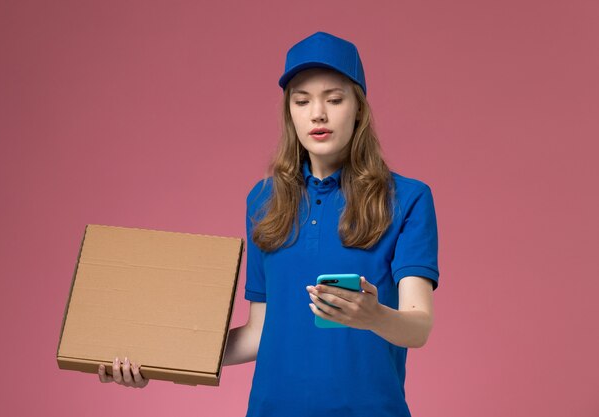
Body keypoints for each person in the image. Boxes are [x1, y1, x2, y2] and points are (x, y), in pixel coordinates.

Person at [98, 31, 440, 417]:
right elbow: (259, 334)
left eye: (334, 99)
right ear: (289, 111)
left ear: (358, 108)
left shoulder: (408, 198)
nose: (318, 114)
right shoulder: (264, 201)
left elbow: (419, 327)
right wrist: (156, 357)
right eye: (302, 100)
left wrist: (373, 316)